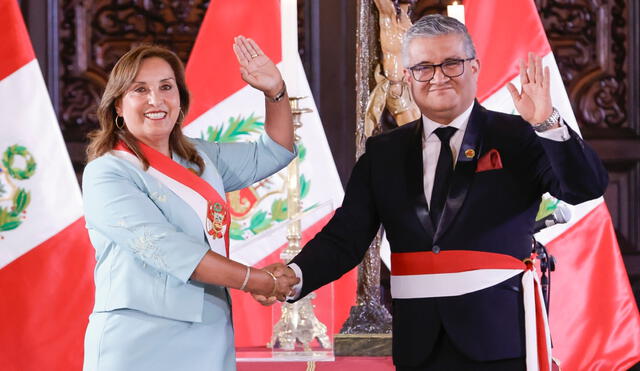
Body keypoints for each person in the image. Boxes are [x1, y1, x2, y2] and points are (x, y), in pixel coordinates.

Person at [258, 14, 608, 371]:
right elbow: (345, 238)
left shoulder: (520, 136)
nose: (438, 77)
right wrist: (295, 275)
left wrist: (546, 123)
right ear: (408, 77)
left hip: (500, 342)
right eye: (424, 67)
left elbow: (585, 187)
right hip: (418, 347)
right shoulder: (382, 153)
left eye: (451, 64)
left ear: (474, 67)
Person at [82, 38, 299, 371]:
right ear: (117, 107)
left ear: (180, 100)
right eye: (140, 90)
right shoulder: (106, 172)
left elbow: (276, 151)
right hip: (136, 339)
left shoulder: (200, 158)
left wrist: (275, 91)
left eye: (166, 87)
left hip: (210, 332)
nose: (156, 100)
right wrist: (257, 280)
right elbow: (169, 249)